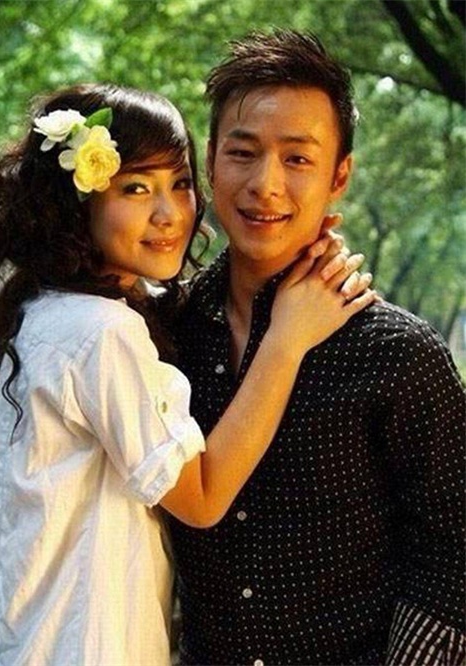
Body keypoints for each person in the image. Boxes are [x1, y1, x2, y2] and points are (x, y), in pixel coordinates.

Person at [0, 82, 374, 665]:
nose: (168, 214)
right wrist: (286, 341)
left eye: (179, 185)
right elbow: (201, 497)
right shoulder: (101, 330)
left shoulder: (50, 311)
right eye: (135, 187)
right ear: (76, 201)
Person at [164, 30, 466, 666]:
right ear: (211, 161)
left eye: (298, 158)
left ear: (340, 175)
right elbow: (75, 432)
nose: (266, 184)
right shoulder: (159, 330)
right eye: (243, 152)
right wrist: (0, 553)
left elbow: (452, 552)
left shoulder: (398, 354)